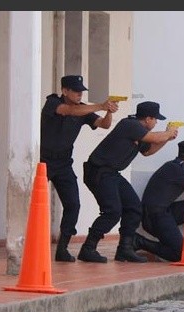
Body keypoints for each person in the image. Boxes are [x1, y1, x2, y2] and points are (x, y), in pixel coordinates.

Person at [77, 101, 180, 263]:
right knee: (112, 211)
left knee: (133, 207)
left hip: (112, 173)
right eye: (155, 119)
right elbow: (152, 137)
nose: (155, 123)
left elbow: (148, 151)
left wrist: (167, 138)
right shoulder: (130, 125)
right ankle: (88, 248)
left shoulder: (141, 132)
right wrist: (167, 133)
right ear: (147, 119)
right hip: (99, 171)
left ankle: (125, 249)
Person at [41, 75, 120, 262]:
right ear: (64, 91)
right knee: (33, 203)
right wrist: (101, 105)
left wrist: (109, 111)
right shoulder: (53, 102)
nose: (79, 94)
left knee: (73, 204)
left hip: (63, 163)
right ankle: (27, 243)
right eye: (75, 91)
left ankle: (62, 248)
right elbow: (68, 111)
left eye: (81, 91)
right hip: (42, 161)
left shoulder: (83, 109)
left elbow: (104, 125)